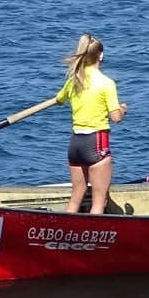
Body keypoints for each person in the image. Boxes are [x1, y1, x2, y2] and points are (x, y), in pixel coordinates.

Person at [56, 34, 128, 215]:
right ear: (101, 56)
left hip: (75, 144)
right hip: (95, 142)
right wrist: (122, 110)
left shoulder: (73, 80)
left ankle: (65, 233)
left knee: (75, 198)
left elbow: (59, 99)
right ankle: (94, 239)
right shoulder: (106, 83)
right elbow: (116, 118)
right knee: (99, 201)